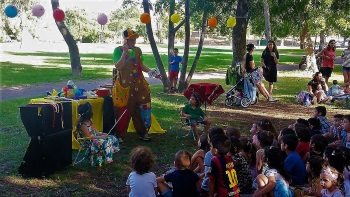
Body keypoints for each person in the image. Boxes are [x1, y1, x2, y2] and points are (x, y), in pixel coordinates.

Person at [113, 28, 156, 142]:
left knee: (143, 108)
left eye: (134, 39)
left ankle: (143, 132)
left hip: (140, 84)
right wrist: (124, 53)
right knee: (124, 109)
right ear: (125, 40)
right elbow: (119, 66)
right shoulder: (118, 50)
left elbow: (140, 65)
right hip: (125, 87)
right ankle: (120, 135)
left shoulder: (138, 50)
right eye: (131, 39)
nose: (133, 41)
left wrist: (151, 71)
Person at [76, 102, 120, 166]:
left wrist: (102, 134)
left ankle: (109, 155)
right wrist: (101, 137)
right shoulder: (83, 124)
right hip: (89, 141)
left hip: (95, 137)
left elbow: (96, 131)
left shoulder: (90, 121)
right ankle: (107, 159)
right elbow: (88, 137)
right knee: (104, 142)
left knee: (112, 137)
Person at [201, 127, 226, 197]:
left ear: (211, 141)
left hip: (211, 188)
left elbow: (209, 175)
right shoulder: (227, 154)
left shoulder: (209, 155)